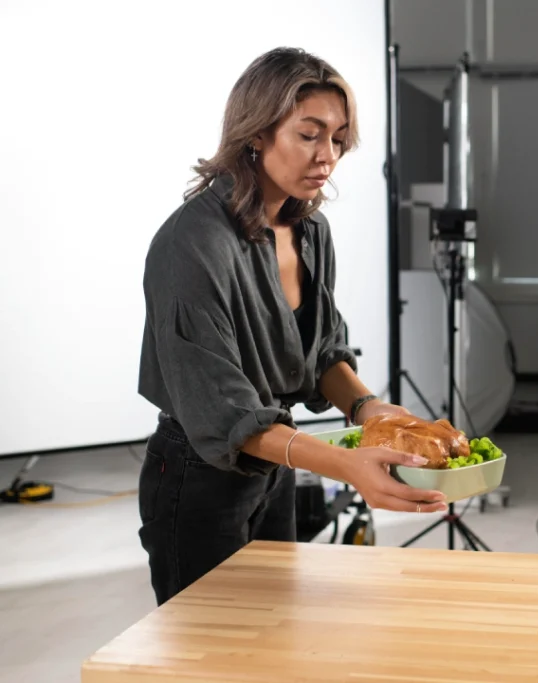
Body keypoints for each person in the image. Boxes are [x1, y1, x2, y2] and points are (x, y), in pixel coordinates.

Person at [136, 47, 447, 605]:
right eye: (309, 134)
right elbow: (224, 415)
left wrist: (369, 410)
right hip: (195, 474)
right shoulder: (192, 243)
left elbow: (323, 350)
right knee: (208, 654)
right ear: (257, 133)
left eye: (337, 138)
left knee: (271, 638)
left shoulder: (311, 230)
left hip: (275, 466)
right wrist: (352, 466)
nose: (327, 155)